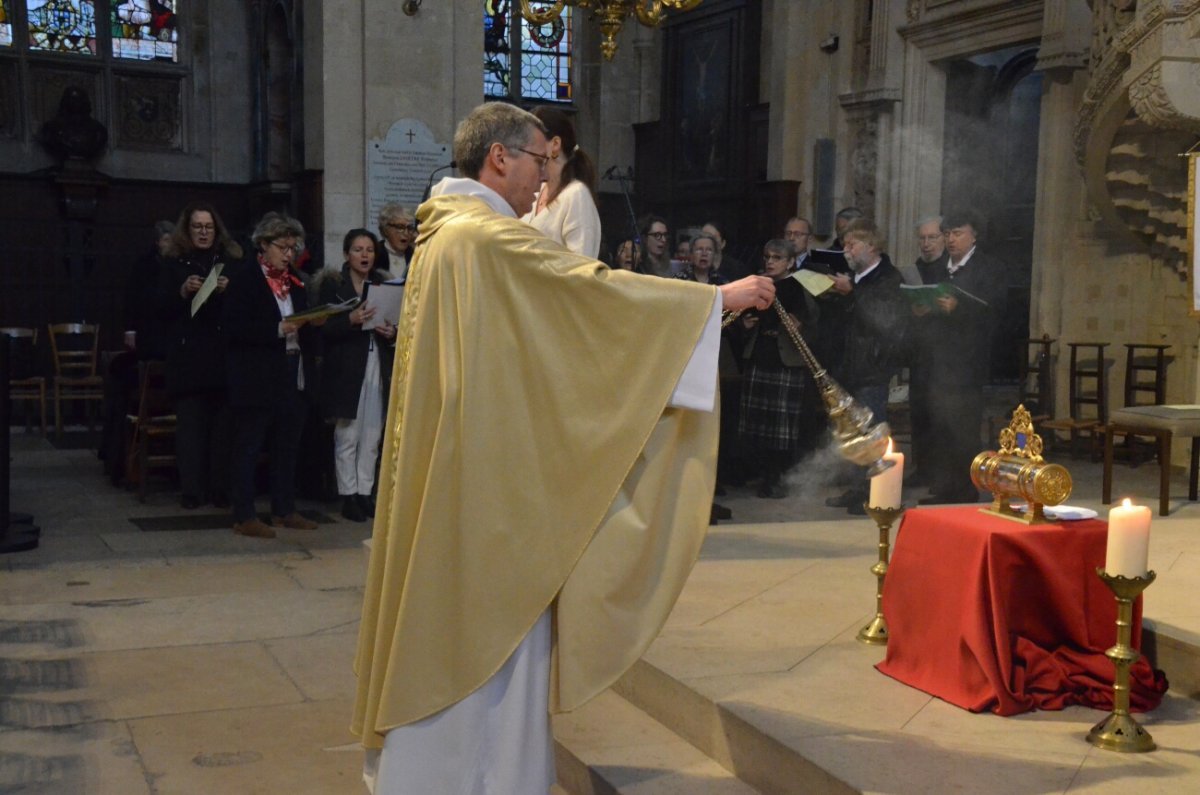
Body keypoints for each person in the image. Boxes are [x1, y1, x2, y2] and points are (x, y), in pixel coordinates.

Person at [351, 101, 774, 794]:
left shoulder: (444, 237)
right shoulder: (487, 240)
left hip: (461, 472)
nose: (544, 183)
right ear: (499, 158)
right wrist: (712, 301)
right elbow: (592, 300)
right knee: (487, 636)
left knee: (452, 622)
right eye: (541, 161)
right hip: (487, 496)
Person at [222, 213, 324, 538]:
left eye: (293, 248)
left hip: (293, 371)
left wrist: (315, 323)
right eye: (283, 247)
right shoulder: (244, 279)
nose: (289, 254)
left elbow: (302, 320)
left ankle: (284, 509)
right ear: (263, 245)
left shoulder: (294, 280)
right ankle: (244, 514)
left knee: (288, 444)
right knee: (249, 446)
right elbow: (233, 330)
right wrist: (278, 329)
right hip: (257, 375)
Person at [914, 211, 1005, 504]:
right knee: (940, 425)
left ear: (974, 235)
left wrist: (959, 309)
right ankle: (945, 486)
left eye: (958, 233)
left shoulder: (988, 268)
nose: (952, 239)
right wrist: (923, 308)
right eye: (948, 234)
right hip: (936, 360)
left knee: (963, 428)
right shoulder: (940, 267)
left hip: (967, 363)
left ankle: (965, 489)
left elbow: (996, 312)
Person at [159, 202, 240, 510]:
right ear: (187, 230)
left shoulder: (230, 261)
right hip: (189, 358)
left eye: (209, 227)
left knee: (223, 431)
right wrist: (181, 291)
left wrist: (229, 289)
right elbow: (157, 309)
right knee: (191, 430)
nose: (204, 233)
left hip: (222, 358)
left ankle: (220, 488)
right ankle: (192, 490)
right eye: (198, 227)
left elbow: (246, 307)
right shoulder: (173, 263)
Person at [822, 219, 907, 514]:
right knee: (853, 430)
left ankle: (875, 492)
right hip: (850, 366)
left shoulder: (889, 277)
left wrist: (852, 293)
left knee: (872, 430)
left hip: (873, 366)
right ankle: (856, 487)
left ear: (871, 247)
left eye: (852, 245)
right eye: (844, 245)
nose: (846, 251)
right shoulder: (855, 279)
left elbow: (882, 319)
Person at [316, 230, 397, 523]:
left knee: (373, 433)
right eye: (358, 250)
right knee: (348, 433)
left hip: (377, 361)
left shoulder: (384, 284)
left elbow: (396, 321)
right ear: (346, 255)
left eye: (369, 250)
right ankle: (348, 494)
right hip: (346, 367)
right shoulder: (332, 285)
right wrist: (349, 320)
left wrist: (392, 332)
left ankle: (366, 492)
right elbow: (322, 328)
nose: (365, 255)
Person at [735, 239, 815, 499]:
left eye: (777, 257)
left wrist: (800, 324)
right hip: (760, 355)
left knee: (782, 426)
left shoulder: (801, 285)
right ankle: (761, 474)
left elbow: (815, 320)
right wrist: (745, 325)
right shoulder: (757, 283)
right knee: (758, 423)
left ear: (791, 261)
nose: (770, 261)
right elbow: (740, 316)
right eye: (767, 256)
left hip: (786, 360)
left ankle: (778, 476)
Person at [520, 106, 602, 257]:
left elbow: (582, 266)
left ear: (555, 144)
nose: (524, 148)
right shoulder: (537, 190)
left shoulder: (577, 195)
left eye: (530, 141)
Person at [907, 216, 947, 488]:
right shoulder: (915, 270)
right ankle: (921, 468)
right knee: (919, 411)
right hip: (919, 351)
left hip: (944, 353)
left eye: (932, 237)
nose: (926, 243)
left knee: (940, 414)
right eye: (922, 238)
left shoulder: (950, 269)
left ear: (944, 238)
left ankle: (939, 472)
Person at [374, 204, 416, 281]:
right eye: (400, 227)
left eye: (409, 228)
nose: (406, 233)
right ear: (386, 229)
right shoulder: (375, 254)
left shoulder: (415, 256)